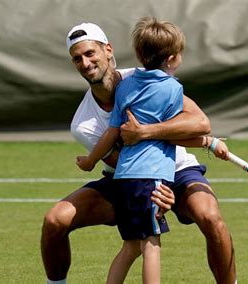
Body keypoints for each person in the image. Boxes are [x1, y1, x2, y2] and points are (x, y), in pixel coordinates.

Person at [41, 20, 237, 284]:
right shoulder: (82, 124)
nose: (85, 63)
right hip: (128, 178)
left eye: (90, 54)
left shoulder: (145, 75)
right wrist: (152, 190)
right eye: (77, 59)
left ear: (107, 50)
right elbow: (123, 162)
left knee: (211, 217)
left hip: (178, 170)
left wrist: (146, 132)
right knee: (55, 220)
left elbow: (200, 122)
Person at [75, 16, 190, 284]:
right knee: (151, 245)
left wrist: (91, 161)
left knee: (130, 247)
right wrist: (210, 142)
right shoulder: (173, 89)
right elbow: (179, 132)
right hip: (151, 178)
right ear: (172, 59)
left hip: (123, 179)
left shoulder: (125, 85)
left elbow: (112, 132)